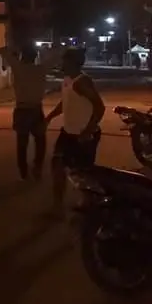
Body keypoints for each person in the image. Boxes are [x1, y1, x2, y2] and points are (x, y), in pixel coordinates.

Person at [45, 48, 105, 216]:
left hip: (83, 135)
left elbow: (99, 107)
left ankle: (93, 206)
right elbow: (65, 102)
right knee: (57, 165)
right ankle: (57, 208)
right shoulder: (67, 80)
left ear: (72, 62)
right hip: (68, 133)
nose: (61, 62)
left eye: (64, 60)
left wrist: (88, 130)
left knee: (84, 173)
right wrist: (49, 117)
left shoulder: (82, 82)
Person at [0, 44, 62, 182]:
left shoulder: (18, 67)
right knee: (40, 141)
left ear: (22, 56)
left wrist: (14, 48)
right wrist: (46, 50)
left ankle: (23, 172)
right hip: (36, 108)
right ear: (35, 57)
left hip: (21, 109)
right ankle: (37, 167)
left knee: (22, 143)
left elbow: (2, 50)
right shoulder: (41, 69)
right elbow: (57, 56)